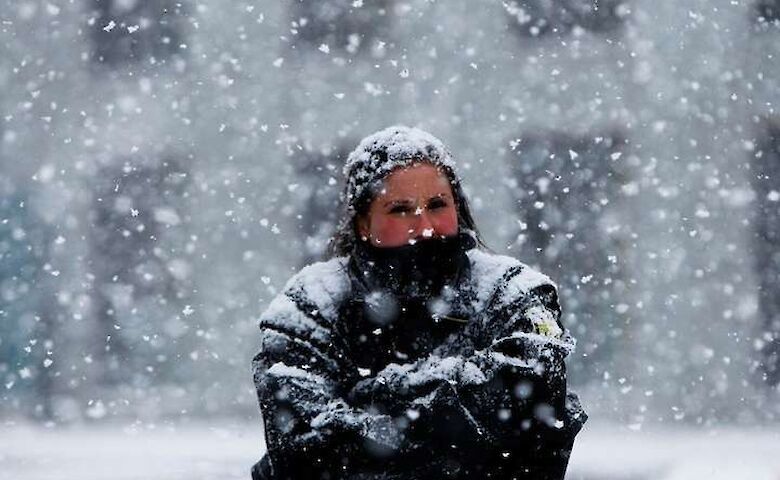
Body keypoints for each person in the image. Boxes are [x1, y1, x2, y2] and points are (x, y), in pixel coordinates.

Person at [251, 126, 587, 480]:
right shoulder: (310, 304)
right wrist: (457, 411)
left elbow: (532, 414)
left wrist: (371, 399)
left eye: (437, 205)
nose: (425, 225)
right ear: (364, 223)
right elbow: (302, 451)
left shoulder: (514, 294)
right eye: (400, 209)